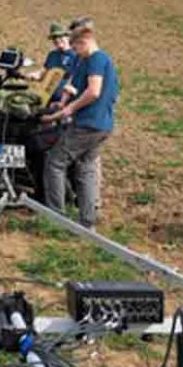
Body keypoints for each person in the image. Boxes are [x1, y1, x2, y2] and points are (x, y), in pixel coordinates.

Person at [41, 18, 118, 228]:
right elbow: (74, 86)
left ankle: (56, 217)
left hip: (87, 124)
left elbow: (93, 91)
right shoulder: (97, 60)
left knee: (55, 163)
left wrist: (68, 109)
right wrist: (62, 103)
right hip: (103, 126)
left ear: (84, 41)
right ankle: (88, 222)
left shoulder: (95, 59)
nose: (76, 52)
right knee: (86, 169)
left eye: (76, 48)